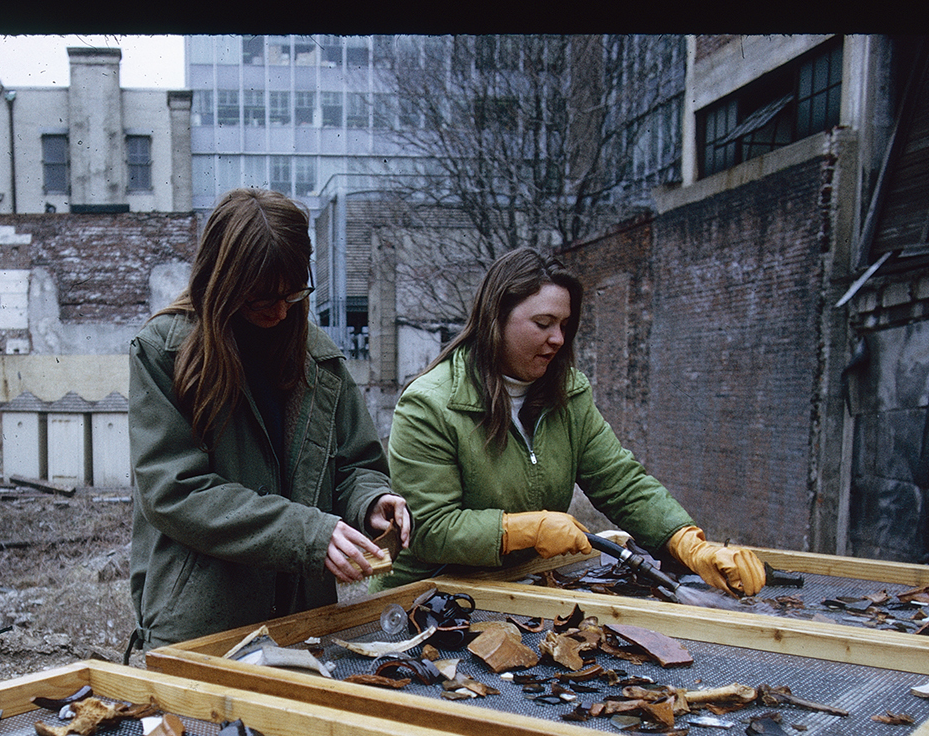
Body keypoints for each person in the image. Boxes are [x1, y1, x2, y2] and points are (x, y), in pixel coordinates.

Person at [374, 247, 764, 595]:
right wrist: (525, 530)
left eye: (564, 325)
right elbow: (430, 529)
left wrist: (686, 542)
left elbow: (619, 481)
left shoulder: (568, 393)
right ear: (496, 319)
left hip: (518, 586)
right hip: (427, 597)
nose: (558, 339)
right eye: (543, 323)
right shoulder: (430, 404)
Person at [127, 188, 411, 658]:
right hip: (202, 628)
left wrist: (370, 501)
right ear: (222, 280)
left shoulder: (319, 359)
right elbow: (174, 491)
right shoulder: (163, 352)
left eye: (293, 294)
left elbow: (353, 464)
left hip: (303, 620)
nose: (280, 312)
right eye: (260, 298)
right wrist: (308, 534)